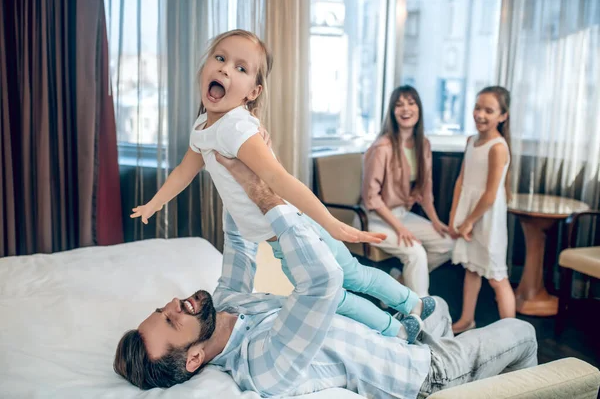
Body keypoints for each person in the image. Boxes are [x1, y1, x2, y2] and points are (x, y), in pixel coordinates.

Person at [114, 154, 538, 397]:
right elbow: (322, 283)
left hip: (399, 338)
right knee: (523, 332)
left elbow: (240, 241)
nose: (174, 304)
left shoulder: (227, 308)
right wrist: (264, 195)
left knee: (439, 308)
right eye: (172, 320)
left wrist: (230, 170)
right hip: (420, 375)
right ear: (192, 359)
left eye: (162, 308)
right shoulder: (260, 364)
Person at [130, 30, 435, 342]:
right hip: (287, 230)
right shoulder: (203, 127)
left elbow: (279, 180)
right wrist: (155, 202)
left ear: (253, 91)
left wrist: (332, 224)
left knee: (334, 291)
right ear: (205, 66)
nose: (224, 68)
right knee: (351, 275)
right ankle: (413, 303)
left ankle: (397, 329)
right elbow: (185, 170)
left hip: (291, 230)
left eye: (240, 68)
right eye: (220, 58)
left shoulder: (236, 129)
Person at [362, 86, 454, 297]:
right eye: (399, 104)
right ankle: (419, 313)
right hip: (377, 218)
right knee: (416, 254)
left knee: (448, 243)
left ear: (419, 109)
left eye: (411, 103)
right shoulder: (381, 147)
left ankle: (399, 284)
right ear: (392, 112)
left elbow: (426, 191)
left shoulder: (423, 145)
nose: (406, 109)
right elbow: (371, 198)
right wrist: (400, 228)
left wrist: (436, 222)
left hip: (403, 215)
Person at [449, 86, 516, 334]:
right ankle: (467, 319)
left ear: (503, 116)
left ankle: (512, 334)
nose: (480, 115)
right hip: (468, 213)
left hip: (486, 218)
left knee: (497, 277)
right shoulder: (471, 141)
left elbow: (489, 195)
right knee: (471, 268)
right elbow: (461, 182)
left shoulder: (498, 147)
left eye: (489, 110)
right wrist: (455, 217)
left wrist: (469, 221)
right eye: (478, 108)